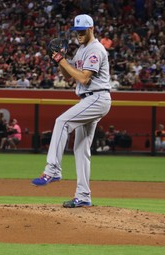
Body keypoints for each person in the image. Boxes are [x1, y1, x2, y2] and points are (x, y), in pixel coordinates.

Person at [31, 14, 112, 208]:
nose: (79, 35)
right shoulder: (81, 50)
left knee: (62, 122)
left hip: (97, 97)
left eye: (82, 31)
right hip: (90, 99)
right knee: (81, 149)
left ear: (91, 28)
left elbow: (84, 79)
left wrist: (63, 60)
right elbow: (69, 76)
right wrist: (60, 60)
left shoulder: (95, 50)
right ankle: (83, 196)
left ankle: (53, 169)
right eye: (77, 32)